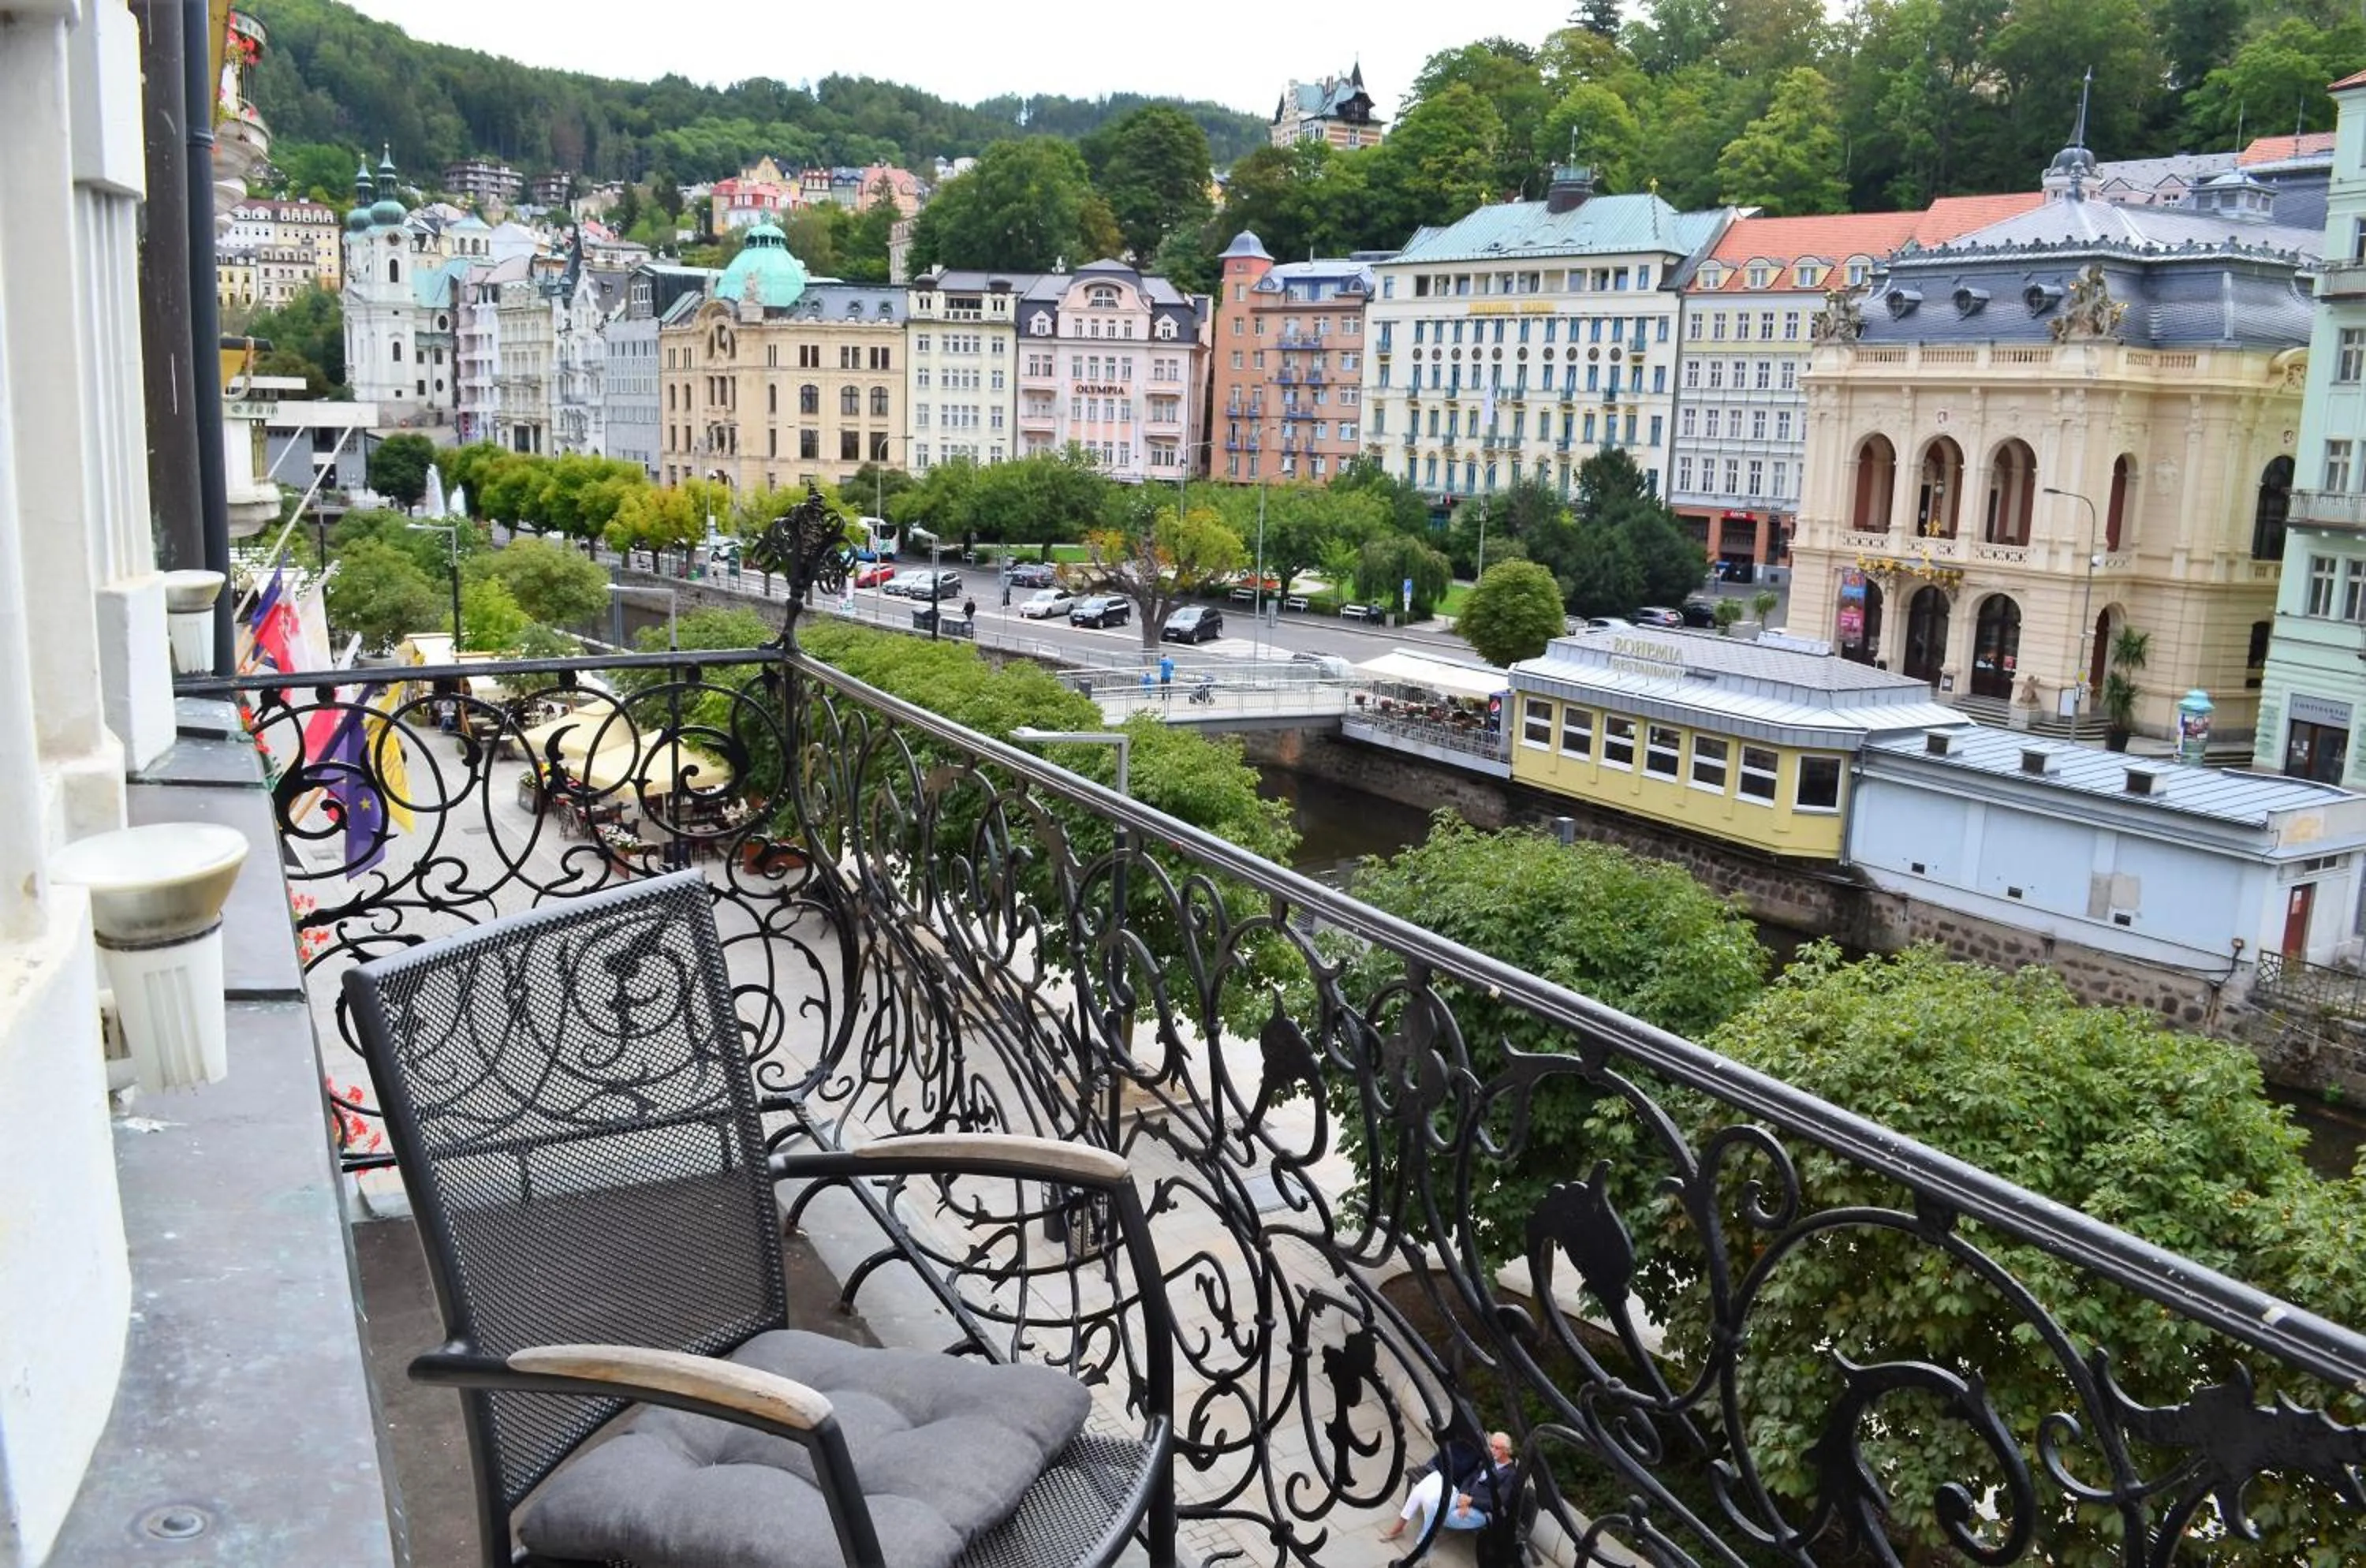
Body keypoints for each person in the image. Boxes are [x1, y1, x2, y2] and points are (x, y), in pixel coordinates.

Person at [1379, 1431, 1516, 1544]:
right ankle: (1423, 1544)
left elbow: (1497, 1504)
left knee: (1438, 1515)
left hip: (1482, 1511)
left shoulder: (1510, 1475)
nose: (1492, 1450)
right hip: (1464, 1498)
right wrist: (1464, 1497)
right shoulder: (1487, 1461)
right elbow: (1470, 1479)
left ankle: (1423, 1543)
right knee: (1432, 1506)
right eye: (1491, 1446)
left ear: (1507, 1451)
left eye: (1497, 1448)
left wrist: (1471, 1502)